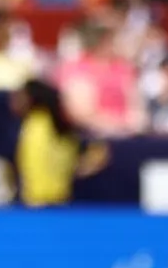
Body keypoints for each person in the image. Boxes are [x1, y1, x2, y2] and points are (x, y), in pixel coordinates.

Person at [11, 78, 109, 207]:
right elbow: (99, 149)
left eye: (20, 96)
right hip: (60, 201)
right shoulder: (60, 125)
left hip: (37, 201)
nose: (13, 101)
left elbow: (98, 150)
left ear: (31, 98)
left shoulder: (35, 125)